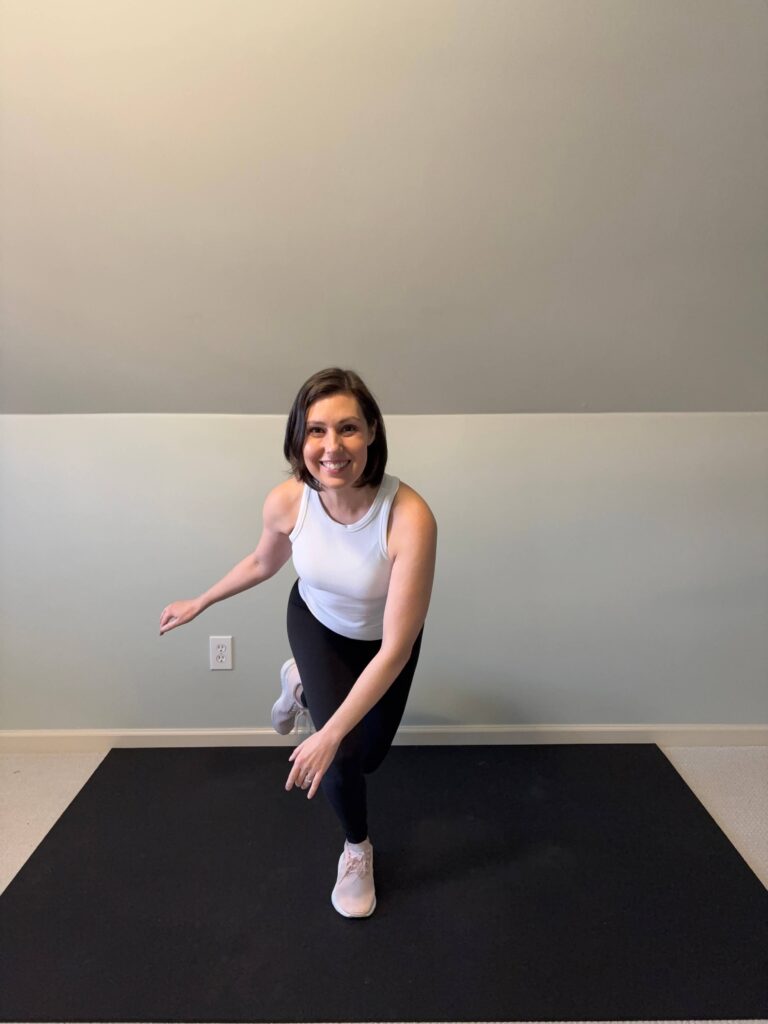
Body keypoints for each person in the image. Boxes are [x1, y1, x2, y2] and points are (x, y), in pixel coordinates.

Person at [158, 367, 437, 918]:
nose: (332, 447)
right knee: (343, 757)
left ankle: (300, 688)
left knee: (369, 753)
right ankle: (357, 850)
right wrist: (201, 600)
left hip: (384, 645)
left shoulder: (409, 517)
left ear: (372, 431)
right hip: (315, 623)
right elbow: (263, 562)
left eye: (348, 428)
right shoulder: (288, 501)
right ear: (299, 437)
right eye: (316, 430)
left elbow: (396, 651)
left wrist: (328, 731)